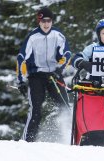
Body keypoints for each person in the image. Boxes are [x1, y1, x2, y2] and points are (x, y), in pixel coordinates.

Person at [16, 7, 71, 142]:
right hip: (36, 76)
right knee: (36, 110)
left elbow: (67, 54)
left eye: (49, 21)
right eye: (43, 21)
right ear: (39, 22)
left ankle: (71, 138)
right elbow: (21, 59)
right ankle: (27, 141)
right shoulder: (32, 37)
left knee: (65, 107)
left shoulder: (58, 35)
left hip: (54, 74)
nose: (46, 24)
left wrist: (60, 68)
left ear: (52, 21)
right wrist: (21, 81)